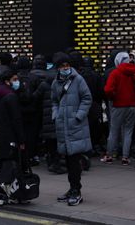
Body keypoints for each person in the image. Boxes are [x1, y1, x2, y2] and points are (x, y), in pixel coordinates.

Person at [51, 52, 92, 206]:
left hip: (75, 125)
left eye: (67, 65)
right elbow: (54, 100)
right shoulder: (56, 83)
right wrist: (56, 114)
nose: (65, 68)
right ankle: (72, 188)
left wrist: (78, 115)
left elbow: (87, 98)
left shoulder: (78, 80)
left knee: (74, 160)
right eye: (62, 66)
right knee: (68, 160)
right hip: (63, 126)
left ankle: (76, 190)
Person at [102, 52, 135, 165]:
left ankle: (109, 155)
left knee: (114, 131)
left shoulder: (116, 72)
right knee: (128, 131)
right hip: (132, 105)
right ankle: (125, 157)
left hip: (118, 105)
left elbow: (108, 89)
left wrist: (113, 97)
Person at [0, 69, 25, 205]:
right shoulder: (11, 97)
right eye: (14, 79)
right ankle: (12, 193)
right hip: (11, 136)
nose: (17, 82)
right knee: (12, 165)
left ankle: (2, 194)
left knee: (2, 165)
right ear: (7, 81)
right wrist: (21, 140)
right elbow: (16, 120)